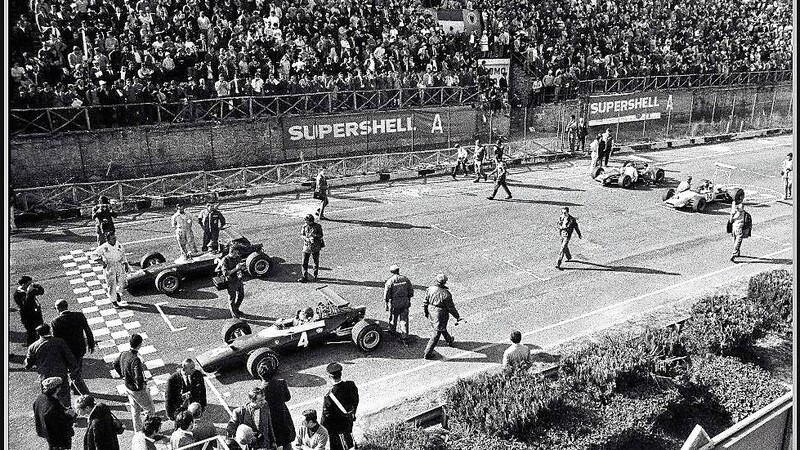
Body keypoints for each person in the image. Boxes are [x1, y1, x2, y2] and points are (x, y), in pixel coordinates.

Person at [26, 324, 77, 408]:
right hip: (60, 373)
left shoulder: (33, 347)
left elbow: (28, 364)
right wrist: (72, 368)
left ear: (38, 333)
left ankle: (52, 414)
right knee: (64, 396)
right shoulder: (59, 341)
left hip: (45, 376)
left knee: (48, 398)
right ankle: (67, 414)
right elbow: (70, 357)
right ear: (49, 330)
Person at [51, 299, 95, 396]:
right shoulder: (79, 315)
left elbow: (56, 340)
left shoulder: (55, 322)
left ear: (58, 309)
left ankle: (87, 396)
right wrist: (91, 343)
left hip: (67, 352)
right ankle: (74, 387)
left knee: (74, 374)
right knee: (77, 366)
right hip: (80, 348)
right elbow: (87, 330)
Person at [113, 334, 155, 433]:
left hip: (127, 386)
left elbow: (115, 363)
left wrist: (123, 375)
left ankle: (138, 431)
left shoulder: (123, 353)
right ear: (140, 345)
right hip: (137, 390)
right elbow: (138, 376)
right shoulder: (135, 359)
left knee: (135, 410)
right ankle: (148, 431)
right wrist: (141, 386)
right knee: (150, 410)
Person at [320, 363, 359, 450]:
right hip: (349, 421)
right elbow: (356, 401)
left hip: (337, 429)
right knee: (349, 439)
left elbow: (325, 419)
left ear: (330, 377)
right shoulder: (351, 385)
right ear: (341, 374)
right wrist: (353, 414)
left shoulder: (329, 398)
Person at [422, 274, 461, 360]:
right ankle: (427, 353)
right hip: (440, 313)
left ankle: (449, 340)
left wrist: (426, 312)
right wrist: (457, 317)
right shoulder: (446, 294)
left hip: (431, 310)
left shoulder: (430, 289)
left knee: (440, 327)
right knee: (436, 333)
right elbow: (451, 308)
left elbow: (425, 302)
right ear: (445, 282)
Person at [33, 376, 76, 450]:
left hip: (46, 432)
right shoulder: (54, 405)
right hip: (57, 436)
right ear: (57, 388)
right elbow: (62, 423)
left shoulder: (40, 398)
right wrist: (70, 416)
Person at [259, 365, 296, 450]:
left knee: (276, 442)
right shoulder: (281, 382)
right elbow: (288, 397)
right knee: (287, 440)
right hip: (283, 414)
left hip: (271, 419)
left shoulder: (261, 390)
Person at [95, 231, 130, 308]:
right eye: (113, 239)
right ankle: (114, 301)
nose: (115, 240)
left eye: (115, 238)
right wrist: (102, 263)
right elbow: (94, 255)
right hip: (110, 266)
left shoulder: (118, 244)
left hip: (118, 265)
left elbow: (123, 254)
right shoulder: (104, 247)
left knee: (122, 282)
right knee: (112, 284)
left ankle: (117, 292)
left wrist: (125, 263)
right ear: (108, 240)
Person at [384, 264, 414, 344]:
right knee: (404, 320)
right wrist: (409, 299)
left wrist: (386, 302)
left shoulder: (390, 281)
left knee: (393, 318)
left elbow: (387, 293)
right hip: (405, 302)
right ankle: (404, 337)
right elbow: (410, 290)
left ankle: (392, 331)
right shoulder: (405, 279)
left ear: (391, 272)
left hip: (395, 303)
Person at [216, 245, 246, 318]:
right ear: (231, 252)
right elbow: (225, 273)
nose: (237, 255)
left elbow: (241, 265)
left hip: (239, 279)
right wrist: (236, 268)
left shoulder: (237, 257)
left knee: (241, 296)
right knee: (232, 299)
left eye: (237, 253)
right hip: (231, 281)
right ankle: (234, 315)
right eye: (235, 253)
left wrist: (243, 267)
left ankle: (236, 309)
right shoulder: (225, 260)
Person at [14, 275, 44, 345]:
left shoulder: (30, 290)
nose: (30, 285)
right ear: (23, 284)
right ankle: (31, 345)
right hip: (27, 316)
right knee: (31, 332)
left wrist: (39, 286)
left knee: (41, 328)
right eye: (28, 284)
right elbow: (25, 304)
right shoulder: (18, 294)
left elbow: (41, 292)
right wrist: (28, 292)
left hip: (36, 312)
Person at [299, 214, 325, 283]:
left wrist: (315, 236)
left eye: (306, 220)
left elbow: (321, 235)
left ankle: (315, 276)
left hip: (315, 246)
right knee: (304, 262)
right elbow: (302, 235)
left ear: (310, 221)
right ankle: (304, 277)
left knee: (315, 262)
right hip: (306, 246)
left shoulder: (318, 226)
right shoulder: (304, 226)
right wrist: (306, 238)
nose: (305, 221)